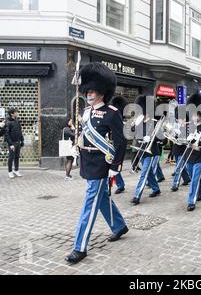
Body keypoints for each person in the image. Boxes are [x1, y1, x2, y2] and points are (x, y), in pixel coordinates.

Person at [66, 62, 128, 265]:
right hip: (87, 160)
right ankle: (118, 226)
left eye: (93, 91)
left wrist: (114, 167)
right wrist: (77, 147)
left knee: (90, 204)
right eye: (88, 90)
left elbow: (120, 142)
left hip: (102, 163)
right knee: (101, 198)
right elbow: (84, 134)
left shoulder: (112, 112)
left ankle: (79, 247)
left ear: (102, 92)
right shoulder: (85, 111)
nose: (89, 94)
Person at [131, 95, 162, 205]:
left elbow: (160, 138)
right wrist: (133, 125)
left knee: (144, 173)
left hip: (150, 151)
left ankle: (137, 195)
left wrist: (151, 139)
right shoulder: (139, 121)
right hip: (141, 150)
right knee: (148, 173)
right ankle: (156, 188)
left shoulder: (154, 122)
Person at [111, 95, 129, 194]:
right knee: (112, 165)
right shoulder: (116, 117)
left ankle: (120, 185)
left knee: (114, 164)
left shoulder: (120, 120)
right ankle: (120, 184)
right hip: (113, 143)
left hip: (118, 144)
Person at [170, 108, 191, 192]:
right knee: (180, 166)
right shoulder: (176, 126)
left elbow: (189, 140)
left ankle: (175, 184)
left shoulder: (189, 127)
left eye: (180, 119)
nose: (178, 120)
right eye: (178, 119)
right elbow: (173, 137)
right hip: (176, 148)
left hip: (183, 149)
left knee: (178, 167)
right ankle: (186, 179)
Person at [5, 108, 24, 179]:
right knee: (11, 157)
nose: (17, 113)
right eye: (15, 112)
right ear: (12, 114)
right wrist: (10, 144)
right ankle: (10, 171)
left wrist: (22, 140)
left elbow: (20, 131)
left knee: (17, 157)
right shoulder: (8, 122)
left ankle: (16, 170)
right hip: (12, 143)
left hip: (18, 142)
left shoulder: (17, 121)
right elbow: (6, 134)